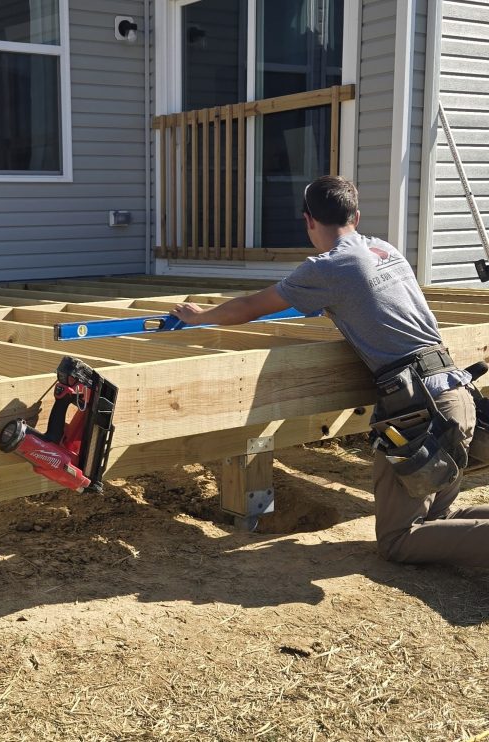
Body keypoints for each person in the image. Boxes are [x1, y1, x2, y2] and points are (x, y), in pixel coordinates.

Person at [171, 175, 489, 568]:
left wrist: (202, 316)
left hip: (421, 410)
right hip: (457, 393)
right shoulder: (383, 249)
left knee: (398, 541)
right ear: (356, 215)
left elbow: (253, 306)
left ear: (308, 221)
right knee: (433, 519)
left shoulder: (328, 266)